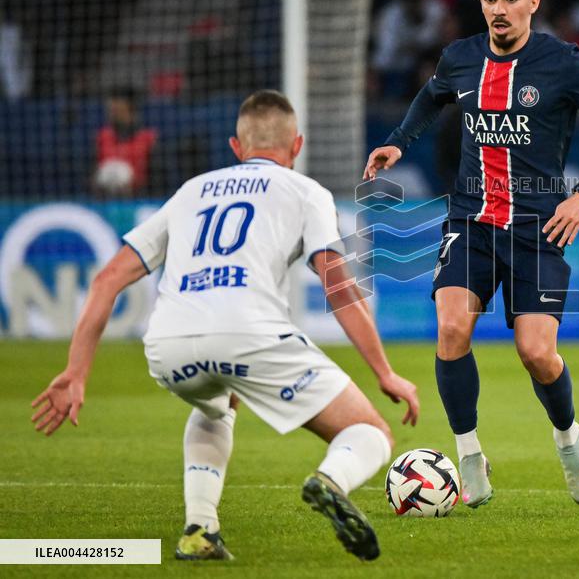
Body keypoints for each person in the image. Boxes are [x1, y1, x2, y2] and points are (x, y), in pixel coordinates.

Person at [32, 90, 419, 562]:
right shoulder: (306, 191)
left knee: (217, 404)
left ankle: (200, 530)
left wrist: (75, 373)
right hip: (248, 334)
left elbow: (107, 279)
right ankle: (330, 482)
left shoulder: (191, 191)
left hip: (168, 346)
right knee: (370, 432)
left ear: (236, 148)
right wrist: (384, 372)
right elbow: (337, 285)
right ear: (296, 146)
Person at [363, 0, 579, 508]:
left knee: (536, 351)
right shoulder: (460, 58)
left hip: (538, 227)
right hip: (472, 220)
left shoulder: (565, 63)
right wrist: (396, 142)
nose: (499, 9)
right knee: (452, 328)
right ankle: (468, 454)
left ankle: (568, 438)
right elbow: (431, 97)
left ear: (533, 1)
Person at [93, 87, 158, 196]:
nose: (112, 113)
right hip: (104, 201)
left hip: (139, 199)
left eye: (116, 110)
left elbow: (156, 180)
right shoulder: (102, 137)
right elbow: (92, 175)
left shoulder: (149, 139)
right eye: (110, 110)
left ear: (131, 110)